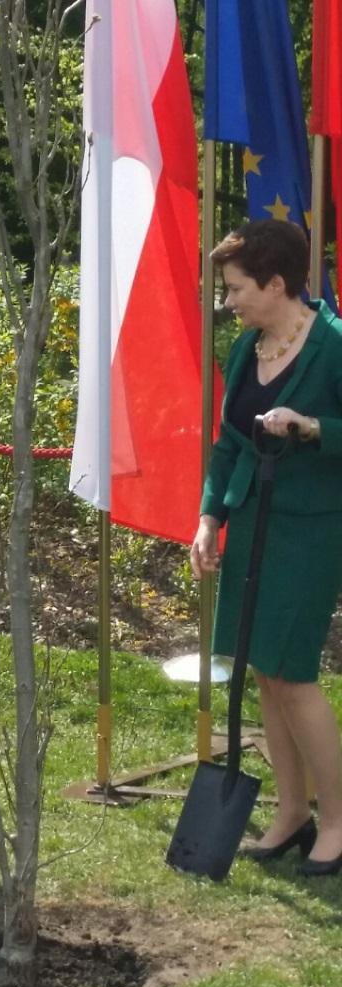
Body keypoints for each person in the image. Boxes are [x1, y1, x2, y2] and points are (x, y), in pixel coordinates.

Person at [191, 218, 342, 876]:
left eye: (235, 289)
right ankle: (291, 812)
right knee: (261, 669)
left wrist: (311, 427)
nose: (228, 302)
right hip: (252, 519)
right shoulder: (244, 349)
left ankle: (337, 820)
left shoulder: (334, 346)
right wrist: (207, 519)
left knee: (294, 675)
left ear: (276, 284)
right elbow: (228, 443)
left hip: (311, 528)